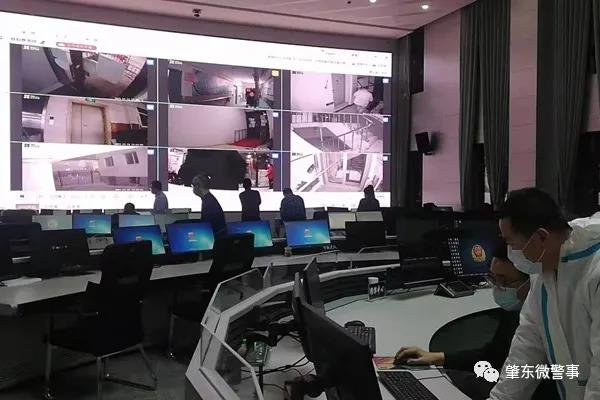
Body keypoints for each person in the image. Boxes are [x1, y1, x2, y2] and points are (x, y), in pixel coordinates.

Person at [395, 242, 558, 400]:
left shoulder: (548, 318)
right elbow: (494, 355)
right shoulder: (513, 310)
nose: (498, 287)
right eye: (493, 278)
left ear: (532, 281)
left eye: (505, 281)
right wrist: (438, 357)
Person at [488, 188, 600, 400]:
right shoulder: (542, 274)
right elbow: (525, 350)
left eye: (511, 243)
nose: (510, 253)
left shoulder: (595, 269)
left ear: (540, 237)